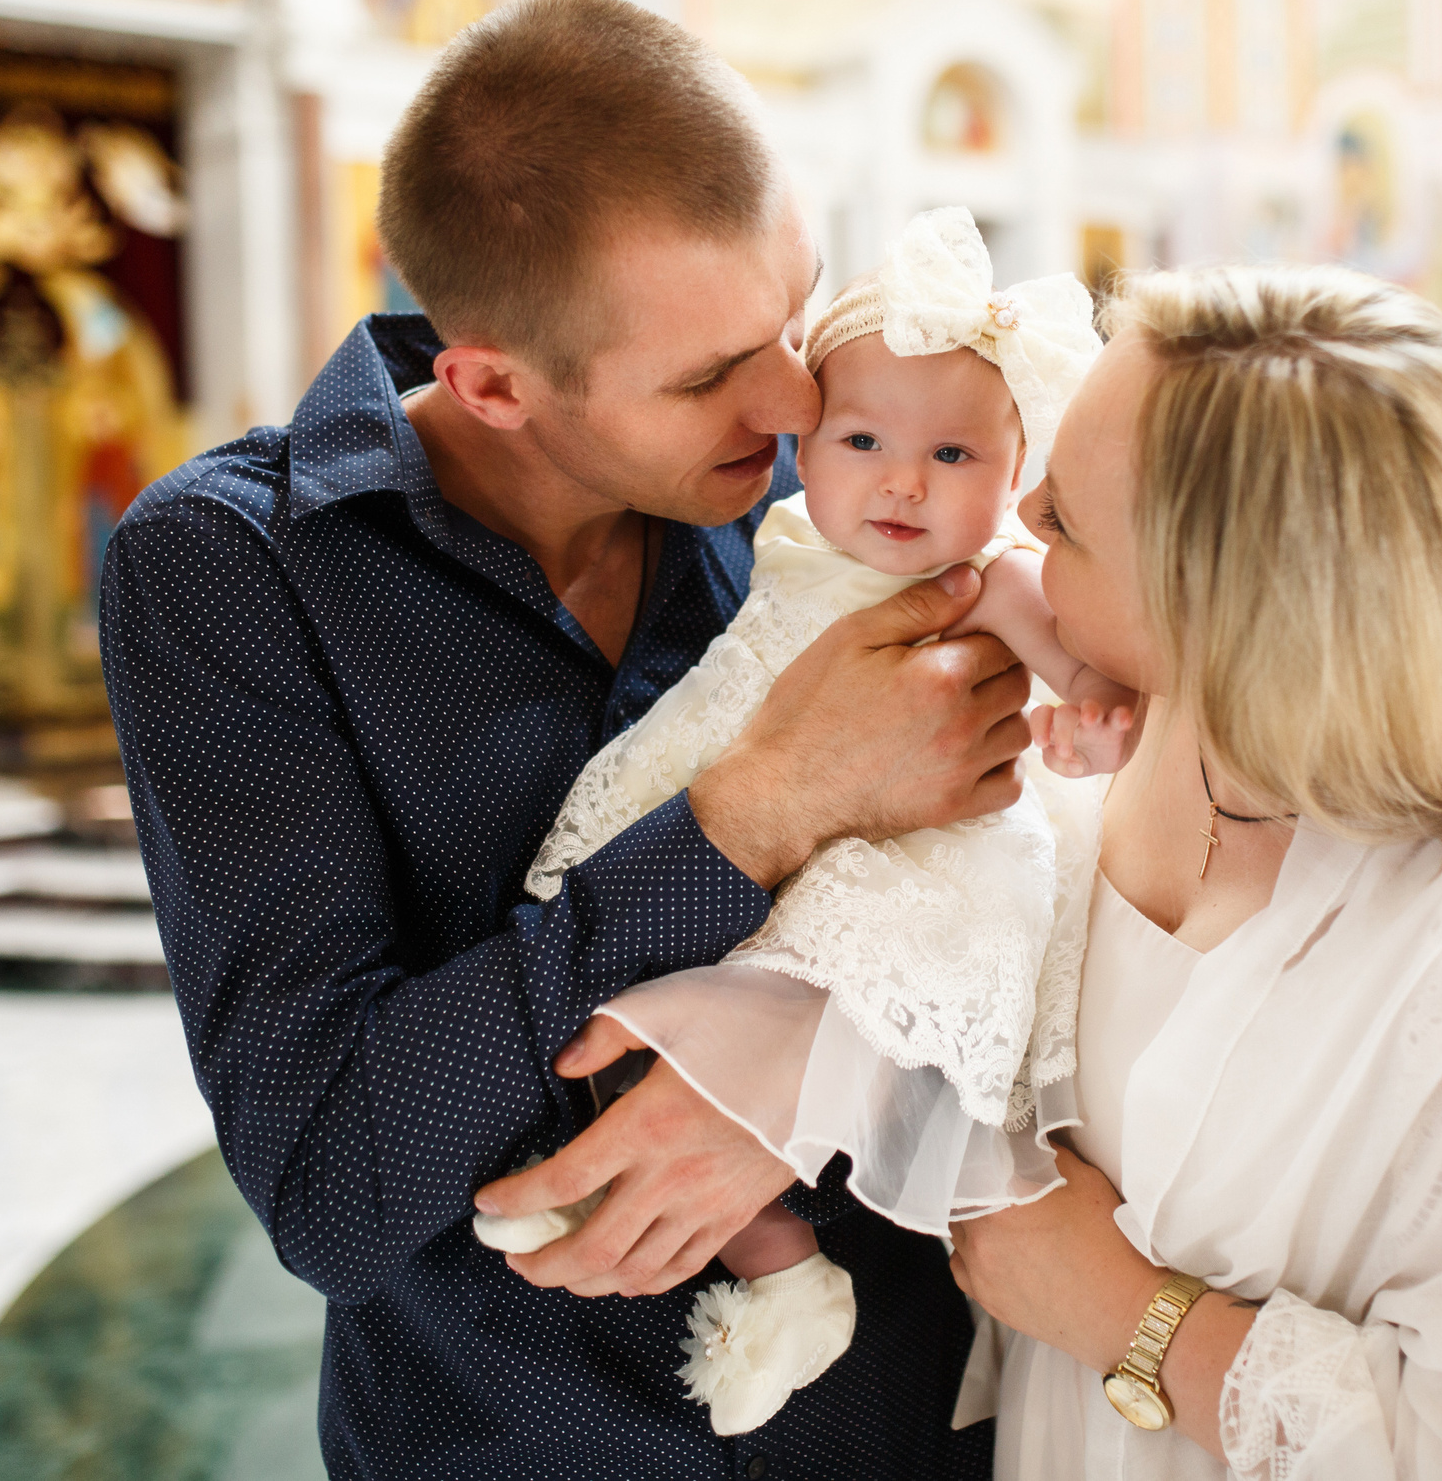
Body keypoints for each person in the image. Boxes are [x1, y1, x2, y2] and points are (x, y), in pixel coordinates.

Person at [100, 0, 1024, 1478]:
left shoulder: (843, 506)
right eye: (707, 374)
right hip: (520, 1436)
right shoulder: (236, 568)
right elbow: (332, 1181)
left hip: (907, 1420)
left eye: (795, 315)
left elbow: (1047, 901)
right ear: (493, 384)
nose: (797, 400)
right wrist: (752, 814)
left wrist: (807, 1073)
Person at [947, 264, 1442, 1478]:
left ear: (1224, 603)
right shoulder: (1130, 730)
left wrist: (1126, 1314)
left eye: (1063, 519)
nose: (1019, 517)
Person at [482, 208, 1137, 1436]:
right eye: (862, 439)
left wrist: (1087, 718)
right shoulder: (774, 530)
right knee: (627, 984)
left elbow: (1083, 672)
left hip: (909, 860)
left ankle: (780, 1266)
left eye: (953, 455)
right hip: (753, 804)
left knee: (743, 1033)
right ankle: (667, 1214)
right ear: (812, 443)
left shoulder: (990, 577)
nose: (901, 480)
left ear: (1014, 476)